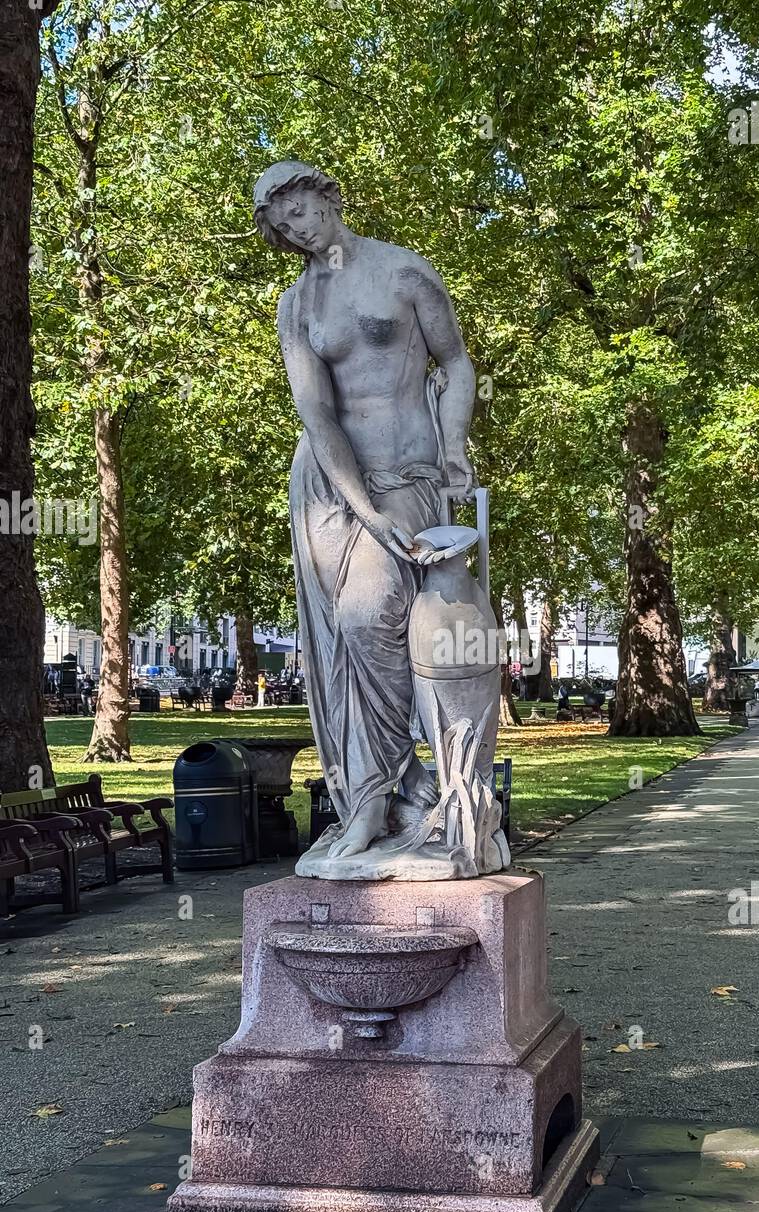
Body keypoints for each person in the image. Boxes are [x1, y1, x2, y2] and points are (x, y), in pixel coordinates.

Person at [254, 160, 478, 863]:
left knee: (370, 615)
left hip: (407, 469)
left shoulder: (404, 272)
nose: (295, 228)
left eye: (299, 208)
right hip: (327, 484)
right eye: (281, 223)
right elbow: (317, 415)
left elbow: (456, 363)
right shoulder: (297, 306)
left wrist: (456, 444)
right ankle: (387, 795)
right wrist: (360, 507)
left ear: (328, 197)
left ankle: (379, 795)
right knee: (342, 645)